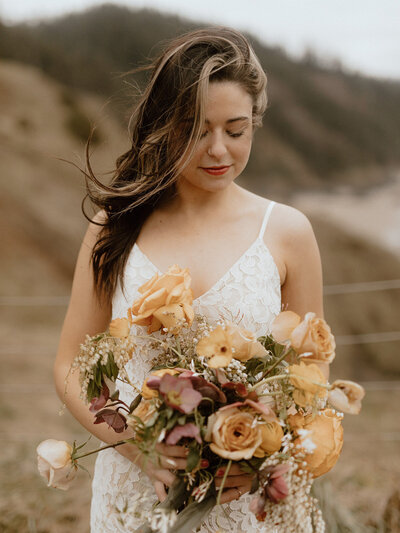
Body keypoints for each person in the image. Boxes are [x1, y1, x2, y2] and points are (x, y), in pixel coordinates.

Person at [54, 27, 327, 532]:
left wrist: (256, 453)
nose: (218, 149)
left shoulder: (288, 232)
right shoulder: (115, 226)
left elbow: (309, 380)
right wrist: (141, 451)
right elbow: (72, 361)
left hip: (249, 503)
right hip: (132, 499)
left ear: (254, 126)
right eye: (197, 129)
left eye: (236, 129)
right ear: (164, 126)